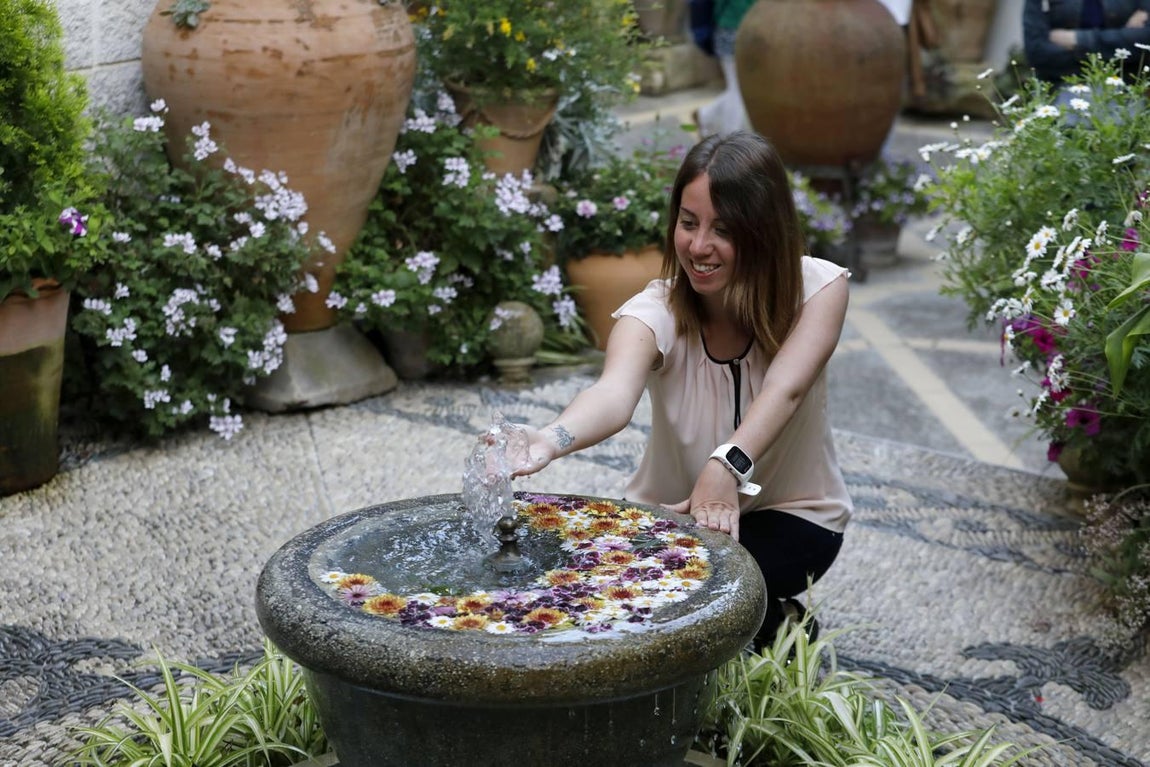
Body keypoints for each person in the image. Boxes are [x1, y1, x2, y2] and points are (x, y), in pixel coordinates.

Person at [510, 131, 853, 650]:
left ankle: (773, 622)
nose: (698, 247)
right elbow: (612, 394)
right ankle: (765, 624)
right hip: (671, 516)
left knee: (701, 594)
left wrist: (725, 467)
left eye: (724, 230)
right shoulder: (655, 312)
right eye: (689, 223)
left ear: (764, 232)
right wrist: (550, 438)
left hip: (795, 518)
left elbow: (785, 389)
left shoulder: (819, 289)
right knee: (601, 600)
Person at [1023, 0, 1150, 86]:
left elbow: (1145, 39)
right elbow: (1037, 51)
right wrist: (1120, 40)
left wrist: (1077, 39)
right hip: (1061, 84)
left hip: (1128, 83)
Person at [694, 0, 754, 138]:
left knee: (738, 90)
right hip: (732, 30)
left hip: (738, 30)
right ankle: (731, 140)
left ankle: (705, 115)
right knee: (738, 91)